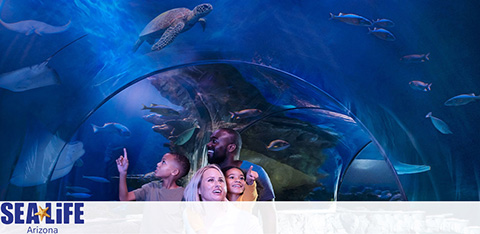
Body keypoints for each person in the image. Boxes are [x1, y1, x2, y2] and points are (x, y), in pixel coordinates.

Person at [183, 165, 262, 234]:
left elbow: (250, 195)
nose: (217, 184)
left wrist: (250, 182)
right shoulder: (189, 213)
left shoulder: (248, 220)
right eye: (211, 180)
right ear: (198, 189)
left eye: (220, 180)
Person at [206, 128, 275, 201]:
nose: (208, 144)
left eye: (214, 141)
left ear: (231, 147)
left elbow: (268, 208)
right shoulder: (209, 172)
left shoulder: (255, 171)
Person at [116, 148, 190, 201]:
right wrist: (123, 173)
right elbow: (124, 198)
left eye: (163, 162)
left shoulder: (184, 195)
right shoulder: (150, 187)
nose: (158, 164)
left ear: (174, 172)